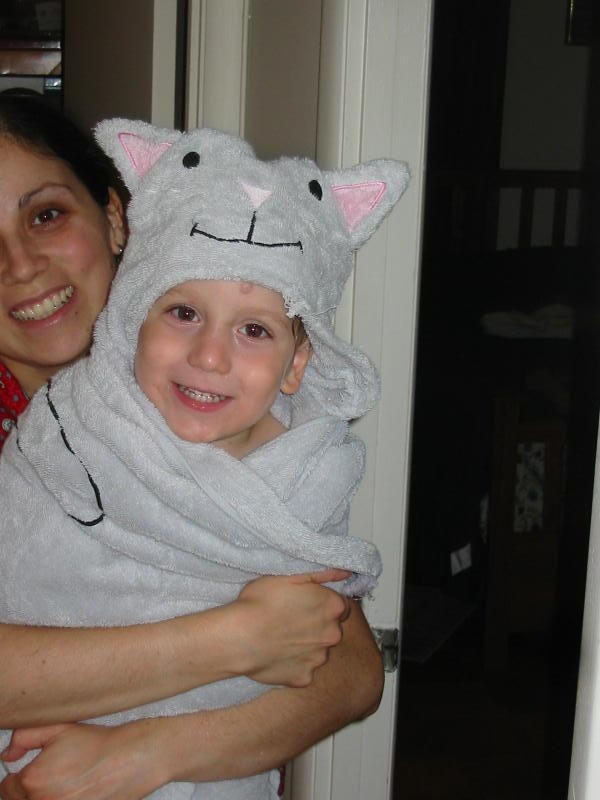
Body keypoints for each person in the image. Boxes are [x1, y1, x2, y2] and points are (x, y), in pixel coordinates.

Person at [0, 119, 408, 798]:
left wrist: (143, 754)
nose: (19, 265)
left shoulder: (239, 418)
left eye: (45, 215)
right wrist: (234, 641)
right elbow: (282, 638)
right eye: (184, 315)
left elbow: (349, 668)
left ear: (115, 216)